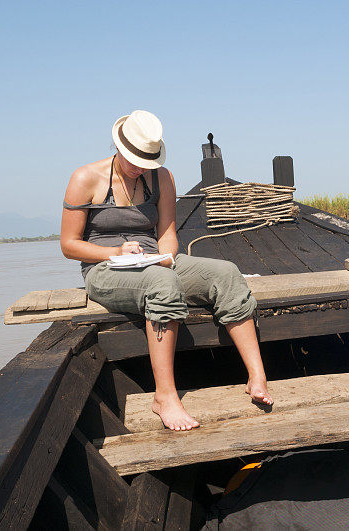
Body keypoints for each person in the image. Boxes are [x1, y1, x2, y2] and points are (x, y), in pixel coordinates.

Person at [60, 110, 273, 431]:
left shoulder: (162, 177)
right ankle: (165, 396)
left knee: (226, 273)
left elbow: (168, 232)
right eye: (134, 159)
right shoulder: (85, 178)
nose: (139, 167)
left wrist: (165, 256)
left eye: (146, 161)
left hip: (152, 261)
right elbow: (69, 245)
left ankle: (257, 376)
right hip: (104, 267)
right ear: (118, 147)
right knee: (162, 284)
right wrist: (116, 251)